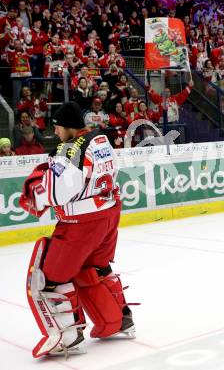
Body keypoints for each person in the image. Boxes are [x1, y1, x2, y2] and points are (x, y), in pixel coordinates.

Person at [19, 102, 135, 358]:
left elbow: (59, 192)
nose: (56, 133)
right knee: (95, 269)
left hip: (81, 223)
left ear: (69, 127)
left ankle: (67, 336)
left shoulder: (70, 148)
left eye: (58, 128)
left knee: (48, 279)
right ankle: (117, 320)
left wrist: (36, 187)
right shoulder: (100, 139)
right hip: (108, 214)